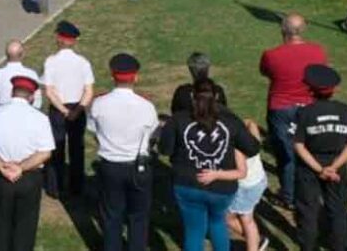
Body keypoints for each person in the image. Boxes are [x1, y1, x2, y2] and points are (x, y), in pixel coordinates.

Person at [159, 78, 260, 251]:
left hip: (187, 183)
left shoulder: (177, 120)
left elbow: (165, 150)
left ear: (192, 95)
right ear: (217, 96)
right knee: (218, 224)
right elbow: (252, 148)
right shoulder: (231, 120)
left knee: (194, 231)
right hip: (221, 188)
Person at [87, 53, 158, 251]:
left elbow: (93, 129)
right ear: (136, 77)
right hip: (138, 166)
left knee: (111, 217)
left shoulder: (100, 103)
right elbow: (152, 133)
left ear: (112, 75)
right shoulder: (146, 107)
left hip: (110, 166)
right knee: (139, 218)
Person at [0, 75, 55, 251]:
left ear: (12, 92)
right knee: (25, 225)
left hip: (0, 175)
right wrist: (21, 167)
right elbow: (45, 152)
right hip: (29, 177)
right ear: (32, 96)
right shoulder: (40, 118)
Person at [259, 12, 327, 208]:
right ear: (303, 30)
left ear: (283, 30)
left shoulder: (271, 55)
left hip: (281, 108)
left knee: (286, 154)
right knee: (311, 150)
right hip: (310, 107)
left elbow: (265, 71)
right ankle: (312, 192)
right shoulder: (318, 52)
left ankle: (288, 196)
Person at [293, 64, 347, 251]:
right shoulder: (345, 111)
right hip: (337, 166)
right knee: (338, 211)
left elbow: (299, 145)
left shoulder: (305, 113)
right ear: (334, 89)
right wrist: (333, 168)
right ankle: (339, 246)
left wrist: (320, 170)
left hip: (309, 168)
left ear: (310, 89)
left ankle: (308, 246)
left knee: (308, 211)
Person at [43, 21, 94, 197]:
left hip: (59, 108)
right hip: (77, 108)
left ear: (59, 38)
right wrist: (77, 111)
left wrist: (64, 111)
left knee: (56, 148)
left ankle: (55, 186)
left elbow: (49, 91)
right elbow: (89, 91)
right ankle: (76, 186)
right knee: (76, 148)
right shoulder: (83, 63)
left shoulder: (51, 62)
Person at [226, 120, 269, 251]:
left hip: (246, 186)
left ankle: (256, 242)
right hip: (259, 180)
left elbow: (240, 172)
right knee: (245, 218)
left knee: (236, 218)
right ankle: (255, 241)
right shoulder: (252, 139)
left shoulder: (235, 148)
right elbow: (251, 123)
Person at [0, 40, 42, 109]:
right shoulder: (31, 74)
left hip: (2, 115)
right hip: (25, 115)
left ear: (6, 55)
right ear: (22, 54)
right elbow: (37, 102)